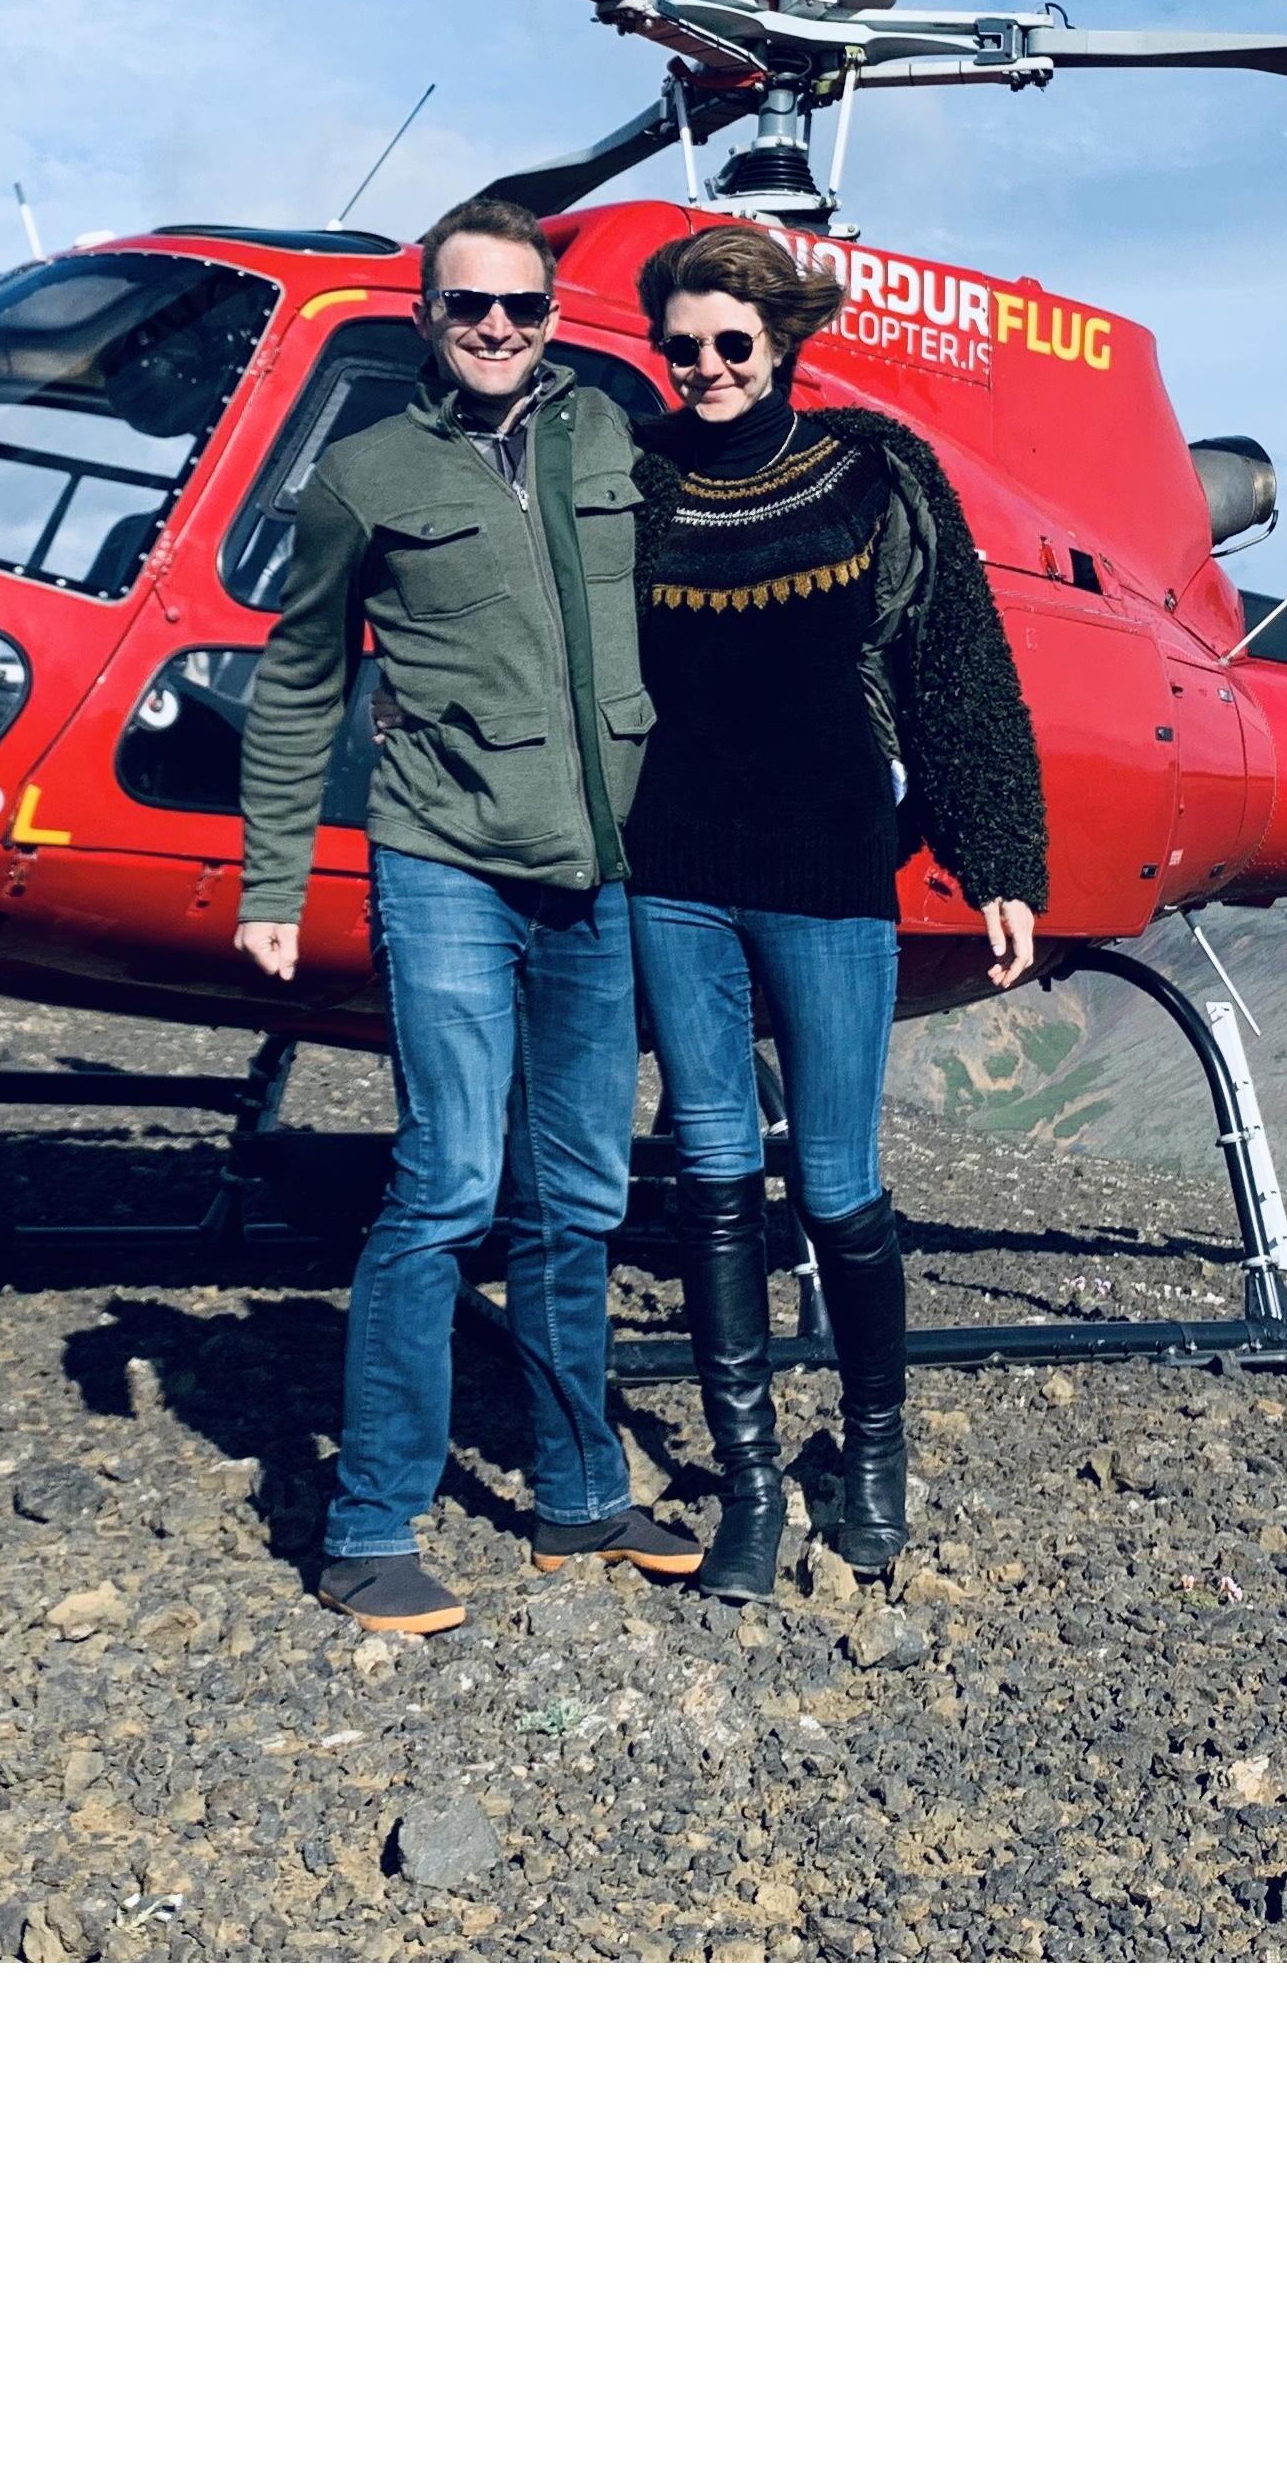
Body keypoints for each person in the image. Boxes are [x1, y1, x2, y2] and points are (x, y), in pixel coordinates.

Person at [235, 194, 702, 1631]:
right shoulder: (361, 476)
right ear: (426, 316)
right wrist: (269, 879)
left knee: (582, 1195)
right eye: (468, 307)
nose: (497, 329)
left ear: (554, 317)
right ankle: (369, 1525)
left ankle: (578, 1498)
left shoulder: (616, 442)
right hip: (441, 857)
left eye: (522, 308)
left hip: (599, 871)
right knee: (444, 1181)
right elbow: (304, 675)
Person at [623, 221, 1047, 1597]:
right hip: (674, 872)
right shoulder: (635, 482)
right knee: (711, 1183)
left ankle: (872, 1447)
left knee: (841, 1185)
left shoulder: (880, 474)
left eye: (731, 343)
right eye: (680, 346)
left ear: (784, 339)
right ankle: (748, 1489)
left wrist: (1000, 863)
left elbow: (958, 666)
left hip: (828, 871)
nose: (705, 367)